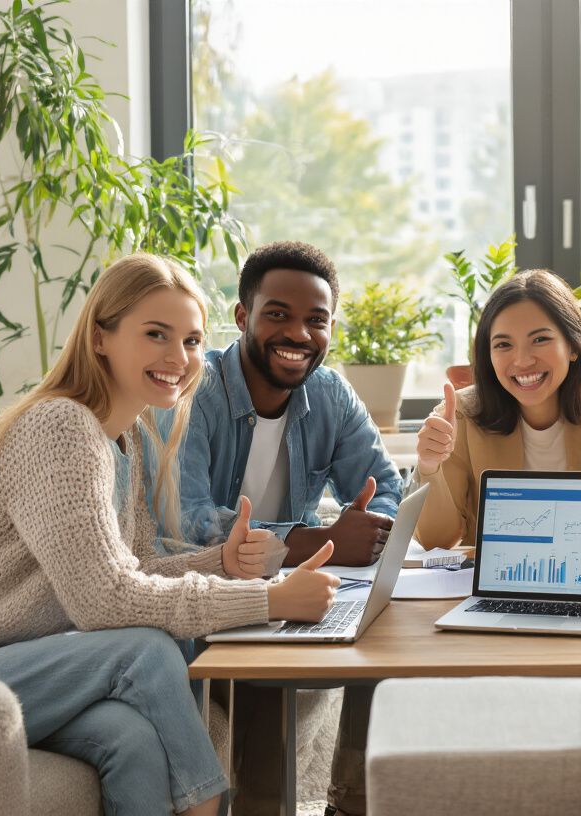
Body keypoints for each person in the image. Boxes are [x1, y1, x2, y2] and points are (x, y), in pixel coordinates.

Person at [0, 254, 341, 816]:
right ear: (100, 338)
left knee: (129, 739)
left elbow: (129, 573)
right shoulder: (59, 427)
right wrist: (267, 598)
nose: (178, 358)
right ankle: (209, 804)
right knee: (145, 649)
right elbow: (103, 602)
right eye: (156, 335)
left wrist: (221, 563)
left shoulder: (123, 441)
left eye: (191, 341)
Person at [159, 240, 401, 816]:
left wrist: (371, 523)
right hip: (206, 590)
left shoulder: (331, 393)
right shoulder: (193, 391)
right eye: (278, 315)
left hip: (286, 588)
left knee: (386, 630)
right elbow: (187, 524)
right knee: (265, 667)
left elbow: (386, 487)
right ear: (242, 317)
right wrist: (314, 541)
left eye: (316, 320)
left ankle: (351, 804)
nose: (298, 334)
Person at [414, 268, 581, 552]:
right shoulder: (461, 414)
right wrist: (429, 467)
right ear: (488, 356)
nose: (522, 361)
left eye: (540, 339)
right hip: (499, 586)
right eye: (503, 344)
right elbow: (437, 541)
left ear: (573, 345)